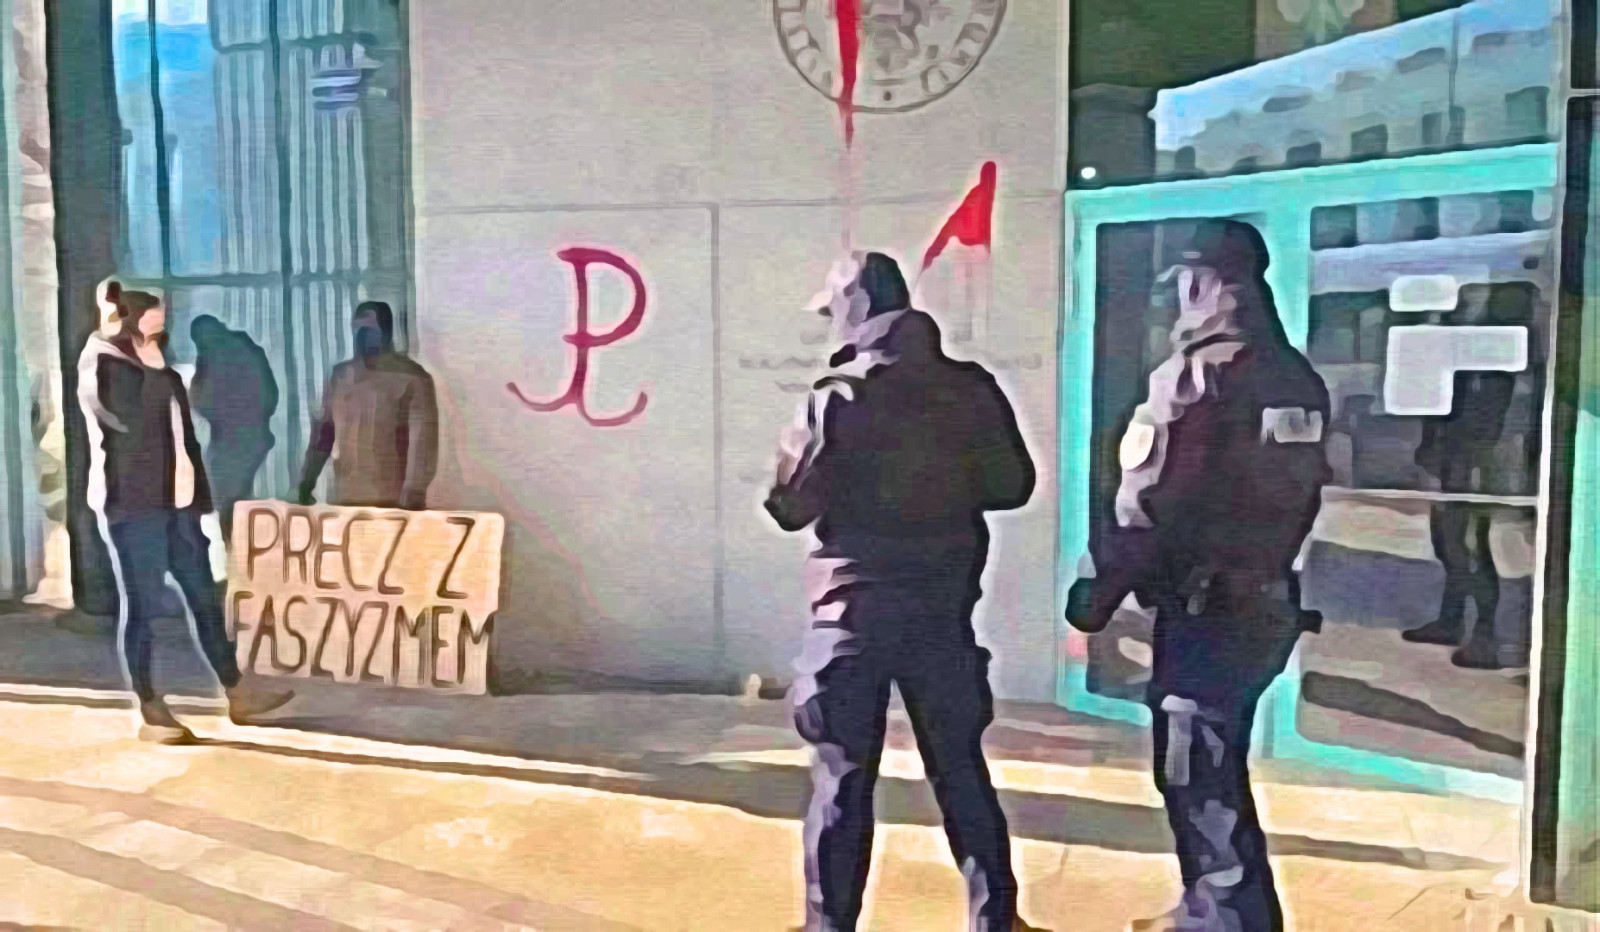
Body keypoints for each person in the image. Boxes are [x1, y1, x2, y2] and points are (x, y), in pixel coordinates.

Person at [1065, 220, 1330, 932]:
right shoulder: (1294, 376)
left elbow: (1142, 503)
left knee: (1198, 773)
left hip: (1206, 609)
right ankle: (1208, 909)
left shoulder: (1194, 375)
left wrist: (1097, 595)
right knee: (1216, 763)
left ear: (1200, 282)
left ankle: (1227, 918)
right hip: (1267, 600)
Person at [766, 252, 1036, 932]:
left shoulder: (837, 396)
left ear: (852, 309)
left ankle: (829, 927)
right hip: (941, 609)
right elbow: (1013, 485)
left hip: (853, 612)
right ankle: (995, 920)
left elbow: (789, 504)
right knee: (960, 769)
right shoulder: (970, 388)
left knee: (843, 776)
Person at [80, 289, 292, 744]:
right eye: (153, 318)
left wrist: (199, 502)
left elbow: (186, 440)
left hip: (179, 507)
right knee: (143, 607)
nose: (161, 325)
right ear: (131, 320)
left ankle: (238, 692)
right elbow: (129, 422)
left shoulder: (162, 370)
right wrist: (154, 367)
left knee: (204, 598)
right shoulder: (103, 364)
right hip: (133, 507)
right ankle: (151, 711)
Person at [1403, 283, 1535, 670]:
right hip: (1459, 455)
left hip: (1472, 458)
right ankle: (1453, 619)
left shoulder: (1497, 351)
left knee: (1468, 545)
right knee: (1450, 541)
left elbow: (1482, 416)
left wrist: (1453, 450)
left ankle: (1484, 636)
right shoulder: (1475, 345)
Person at [298, 301, 438, 509]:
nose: (362, 336)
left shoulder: (413, 378)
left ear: (386, 332)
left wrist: (414, 491)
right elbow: (325, 434)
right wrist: (307, 480)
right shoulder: (341, 376)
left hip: (393, 499)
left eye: (370, 330)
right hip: (345, 495)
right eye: (358, 330)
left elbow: (423, 443)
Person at [190, 315, 278, 547]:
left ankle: (236, 548)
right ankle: (242, 546)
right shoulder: (249, 350)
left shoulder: (212, 356)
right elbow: (271, 395)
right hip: (255, 436)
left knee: (228, 499)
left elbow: (200, 401)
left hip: (231, 439)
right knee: (236, 497)